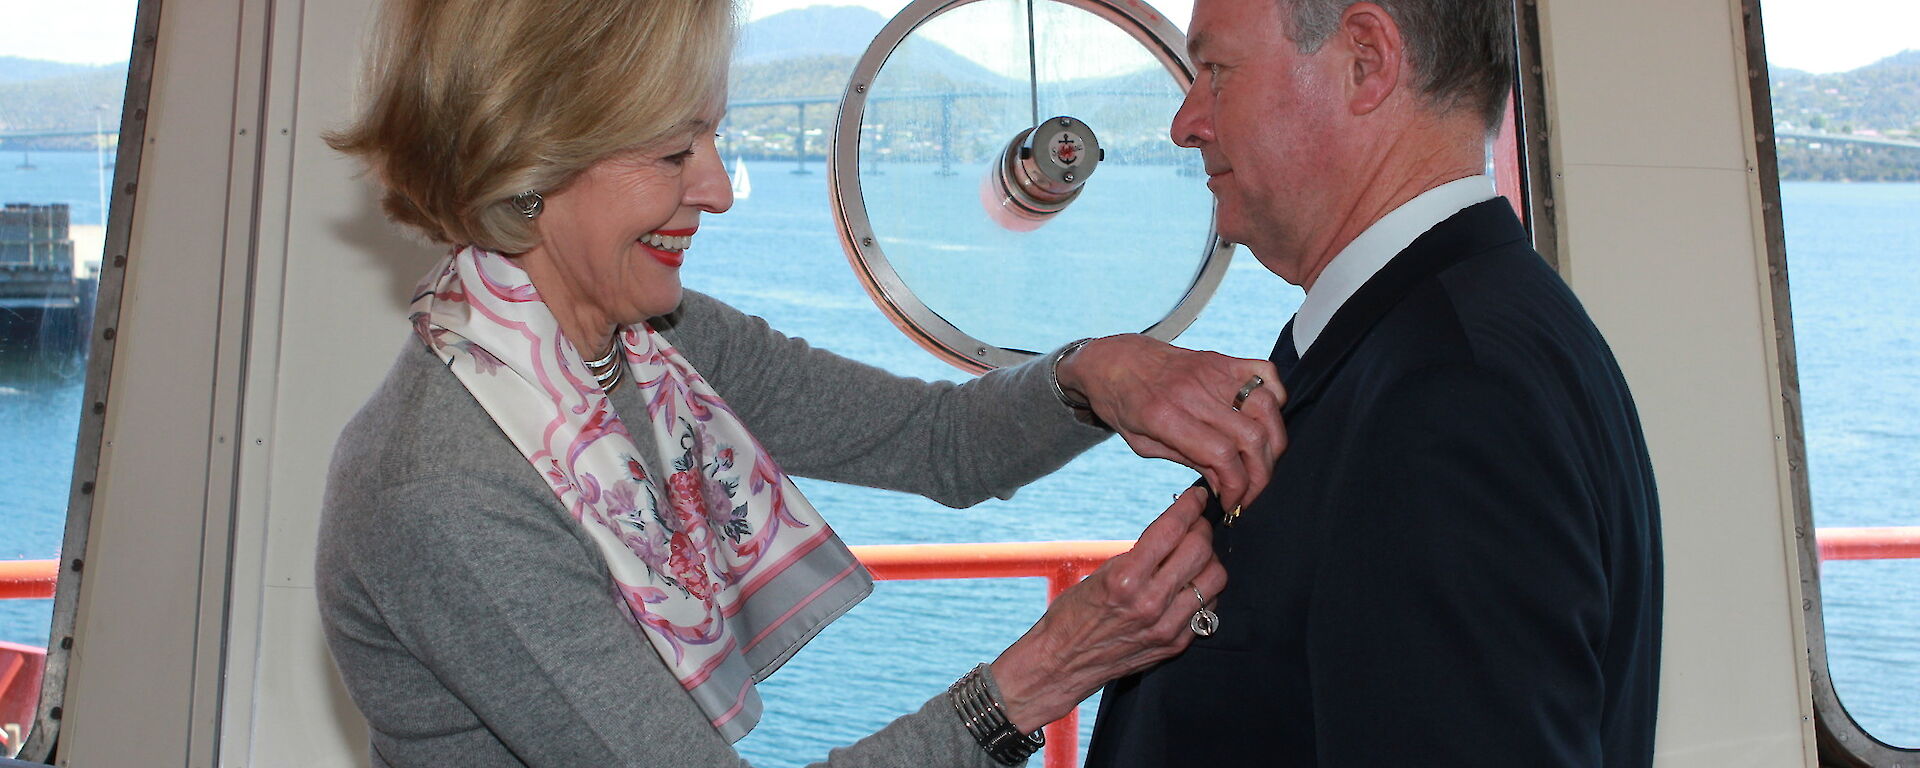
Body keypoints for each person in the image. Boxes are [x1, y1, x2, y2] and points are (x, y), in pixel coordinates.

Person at [313, 1, 1288, 766]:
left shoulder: (653, 343)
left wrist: (1093, 373)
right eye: (671, 153)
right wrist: (1036, 680)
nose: (719, 188)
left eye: (711, 139)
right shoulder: (446, 493)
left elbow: (935, 443)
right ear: (530, 167)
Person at [1084, 0, 1663, 765]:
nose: (1186, 122)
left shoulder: (1455, 396)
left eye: (1216, 71)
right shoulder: (1439, 333)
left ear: (1366, 59)